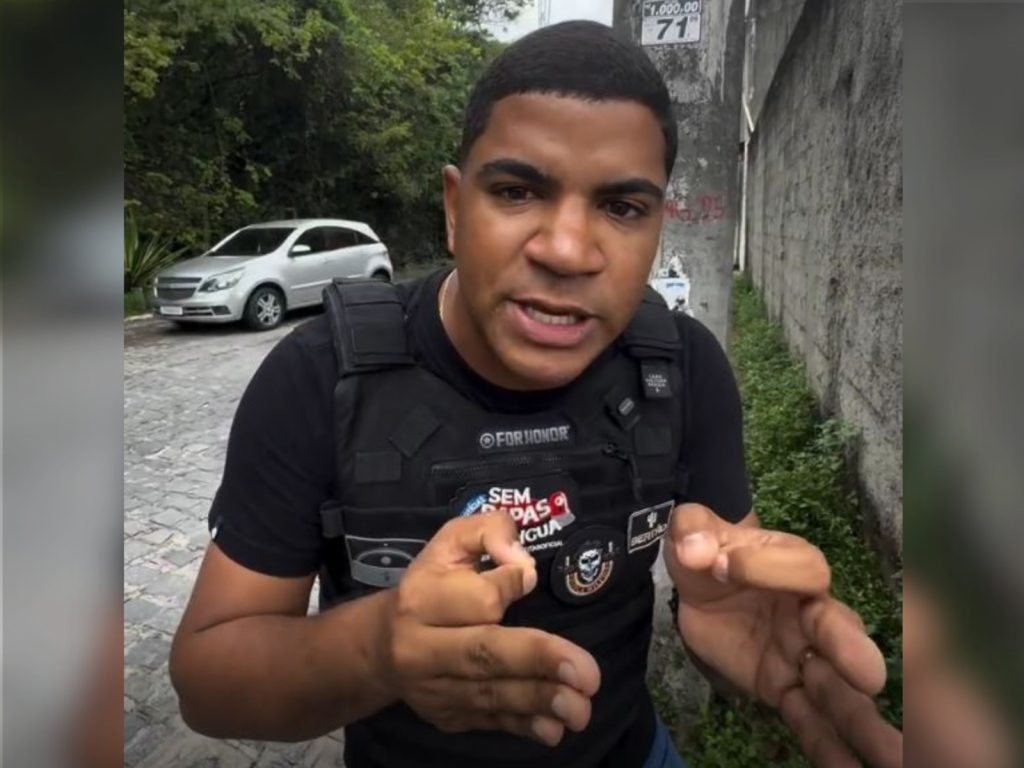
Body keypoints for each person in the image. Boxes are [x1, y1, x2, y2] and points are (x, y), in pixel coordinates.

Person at [170, 21, 902, 768]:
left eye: (622, 208)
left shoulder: (682, 369)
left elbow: (728, 599)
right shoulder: (321, 378)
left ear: (657, 227)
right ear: (455, 208)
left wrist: (726, 628)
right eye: (517, 191)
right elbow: (208, 682)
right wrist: (379, 648)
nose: (566, 250)